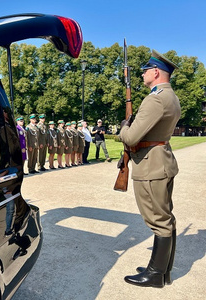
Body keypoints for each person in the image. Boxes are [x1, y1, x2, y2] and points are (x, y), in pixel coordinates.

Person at [119, 50, 181, 288]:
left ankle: (156, 274)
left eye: (145, 70)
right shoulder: (170, 96)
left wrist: (124, 127)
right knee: (166, 218)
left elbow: (132, 136)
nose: (142, 74)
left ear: (155, 72)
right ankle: (162, 271)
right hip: (161, 161)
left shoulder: (155, 98)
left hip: (151, 167)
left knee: (158, 220)